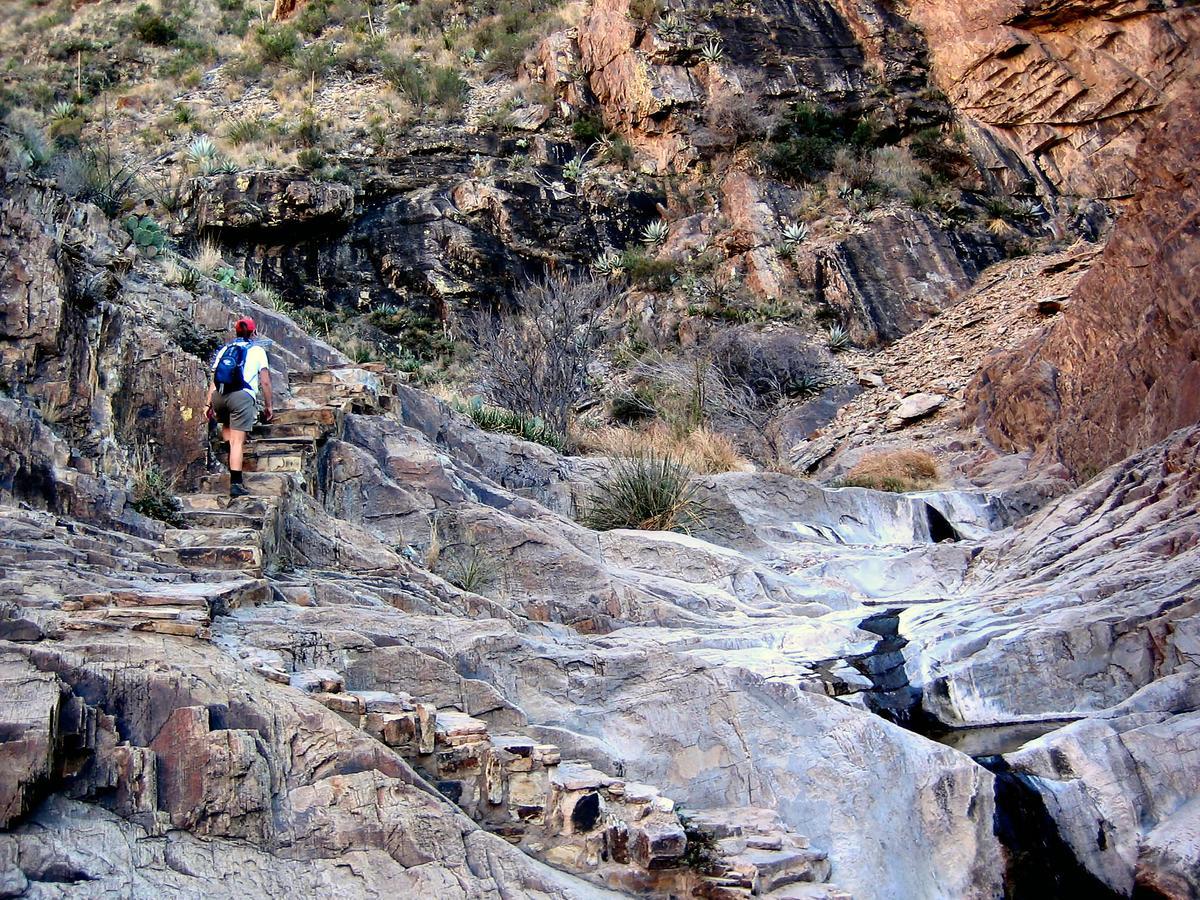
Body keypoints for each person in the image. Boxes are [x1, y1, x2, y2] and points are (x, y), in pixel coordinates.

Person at [206, 316, 273, 498]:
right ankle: (236, 483)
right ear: (254, 333)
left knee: (228, 427)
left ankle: (230, 458)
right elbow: (265, 382)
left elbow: (215, 378)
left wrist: (208, 403)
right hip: (242, 397)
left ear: (235, 331)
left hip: (220, 396)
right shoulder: (258, 351)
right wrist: (269, 406)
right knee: (238, 442)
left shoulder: (225, 350)